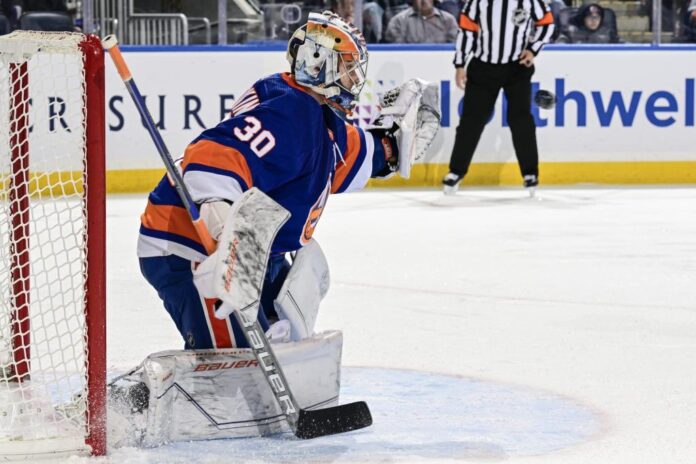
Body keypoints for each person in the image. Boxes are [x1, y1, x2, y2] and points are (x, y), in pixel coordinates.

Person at [137, 11, 438, 350]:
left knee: (274, 342)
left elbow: (353, 156)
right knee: (231, 363)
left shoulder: (319, 117)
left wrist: (393, 144)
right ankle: (132, 398)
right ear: (318, 62)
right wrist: (226, 246)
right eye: (348, 66)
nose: (355, 79)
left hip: (255, 252)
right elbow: (212, 160)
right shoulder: (291, 112)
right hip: (191, 244)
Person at [442, 0, 555, 195]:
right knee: (471, 120)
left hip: (517, 67)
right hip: (484, 66)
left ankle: (530, 173)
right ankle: (456, 171)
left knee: (521, 120)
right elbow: (467, 31)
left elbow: (547, 23)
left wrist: (533, 49)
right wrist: (460, 64)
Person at [385, 0, 458, 43]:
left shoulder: (449, 20)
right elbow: (396, 51)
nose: (424, 1)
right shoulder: (398, 21)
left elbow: (455, 48)